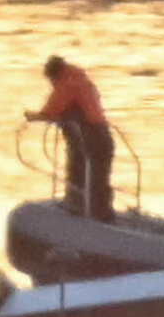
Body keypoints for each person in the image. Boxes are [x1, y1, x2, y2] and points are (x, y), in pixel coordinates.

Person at [26, 55, 114, 222]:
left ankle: (83, 207)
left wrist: (33, 116)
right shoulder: (82, 80)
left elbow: (51, 110)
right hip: (102, 134)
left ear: (53, 74)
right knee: (99, 174)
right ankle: (99, 210)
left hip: (89, 136)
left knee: (82, 168)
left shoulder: (67, 84)